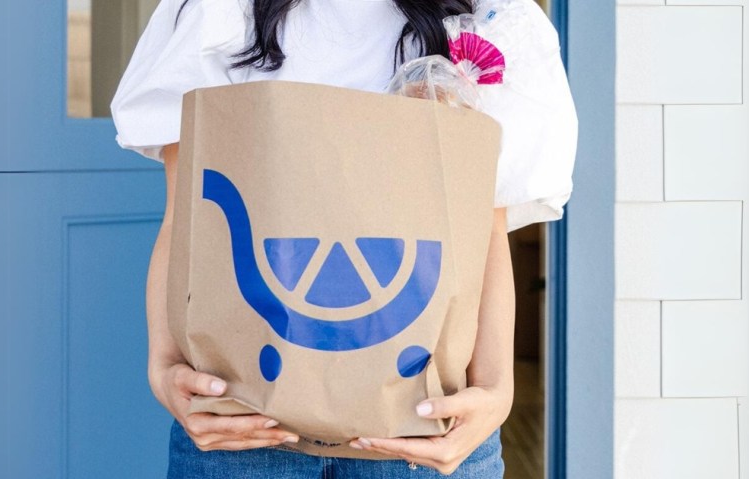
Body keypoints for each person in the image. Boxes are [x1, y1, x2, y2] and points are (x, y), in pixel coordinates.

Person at [110, 0, 577, 477]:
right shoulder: (222, 12)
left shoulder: (492, 20)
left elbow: (484, 232)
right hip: (242, 431)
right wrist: (164, 367)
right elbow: (187, 216)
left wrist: (497, 392)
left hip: (422, 430)